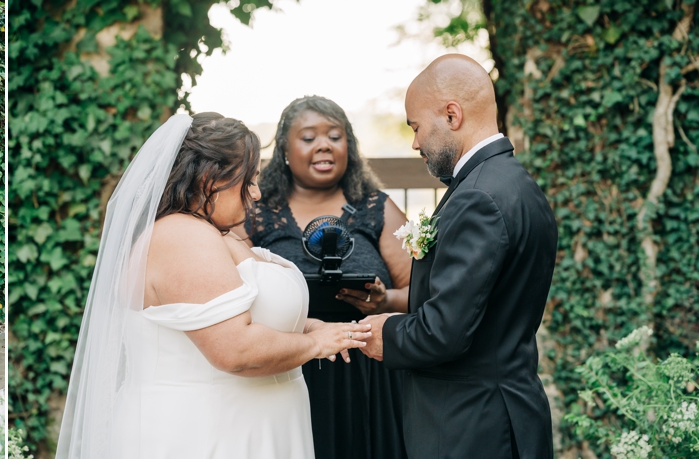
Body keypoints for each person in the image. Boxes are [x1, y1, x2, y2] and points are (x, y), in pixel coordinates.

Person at [56, 112, 373, 459]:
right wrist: (314, 343)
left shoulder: (215, 232)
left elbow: (242, 312)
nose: (255, 191)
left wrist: (311, 325)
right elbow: (234, 349)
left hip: (247, 424)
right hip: (204, 432)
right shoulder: (181, 236)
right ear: (210, 178)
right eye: (248, 179)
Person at [359, 54, 558, 458]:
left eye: (416, 126)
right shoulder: (515, 183)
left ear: (452, 115)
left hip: (473, 428)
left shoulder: (478, 199)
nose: (415, 142)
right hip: (500, 414)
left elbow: (444, 332)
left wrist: (385, 333)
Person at [242, 95, 411, 458]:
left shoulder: (377, 207)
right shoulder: (255, 215)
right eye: (309, 137)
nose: (324, 145)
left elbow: (424, 291)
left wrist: (386, 301)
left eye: (335, 136)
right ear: (285, 149)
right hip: (289, 369)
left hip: (370, 374)